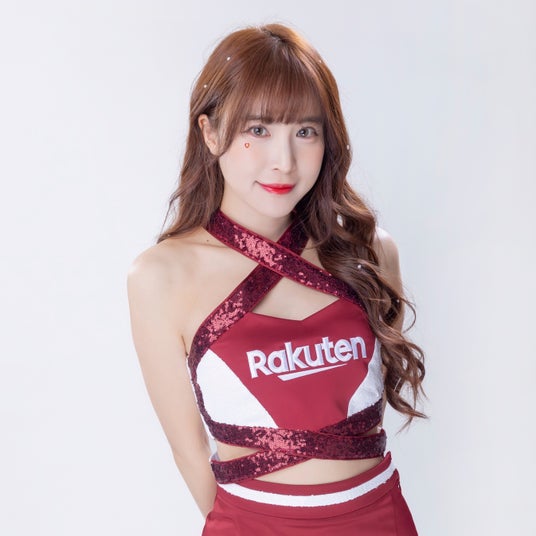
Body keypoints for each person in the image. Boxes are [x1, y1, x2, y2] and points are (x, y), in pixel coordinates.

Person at [127, 23, 426, 535]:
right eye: (258, 130)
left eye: (305, 132)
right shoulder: (162, 276)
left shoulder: (369, 252)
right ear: (211, 133)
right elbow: (189, 451)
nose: (283, 162)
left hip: (380, 520)